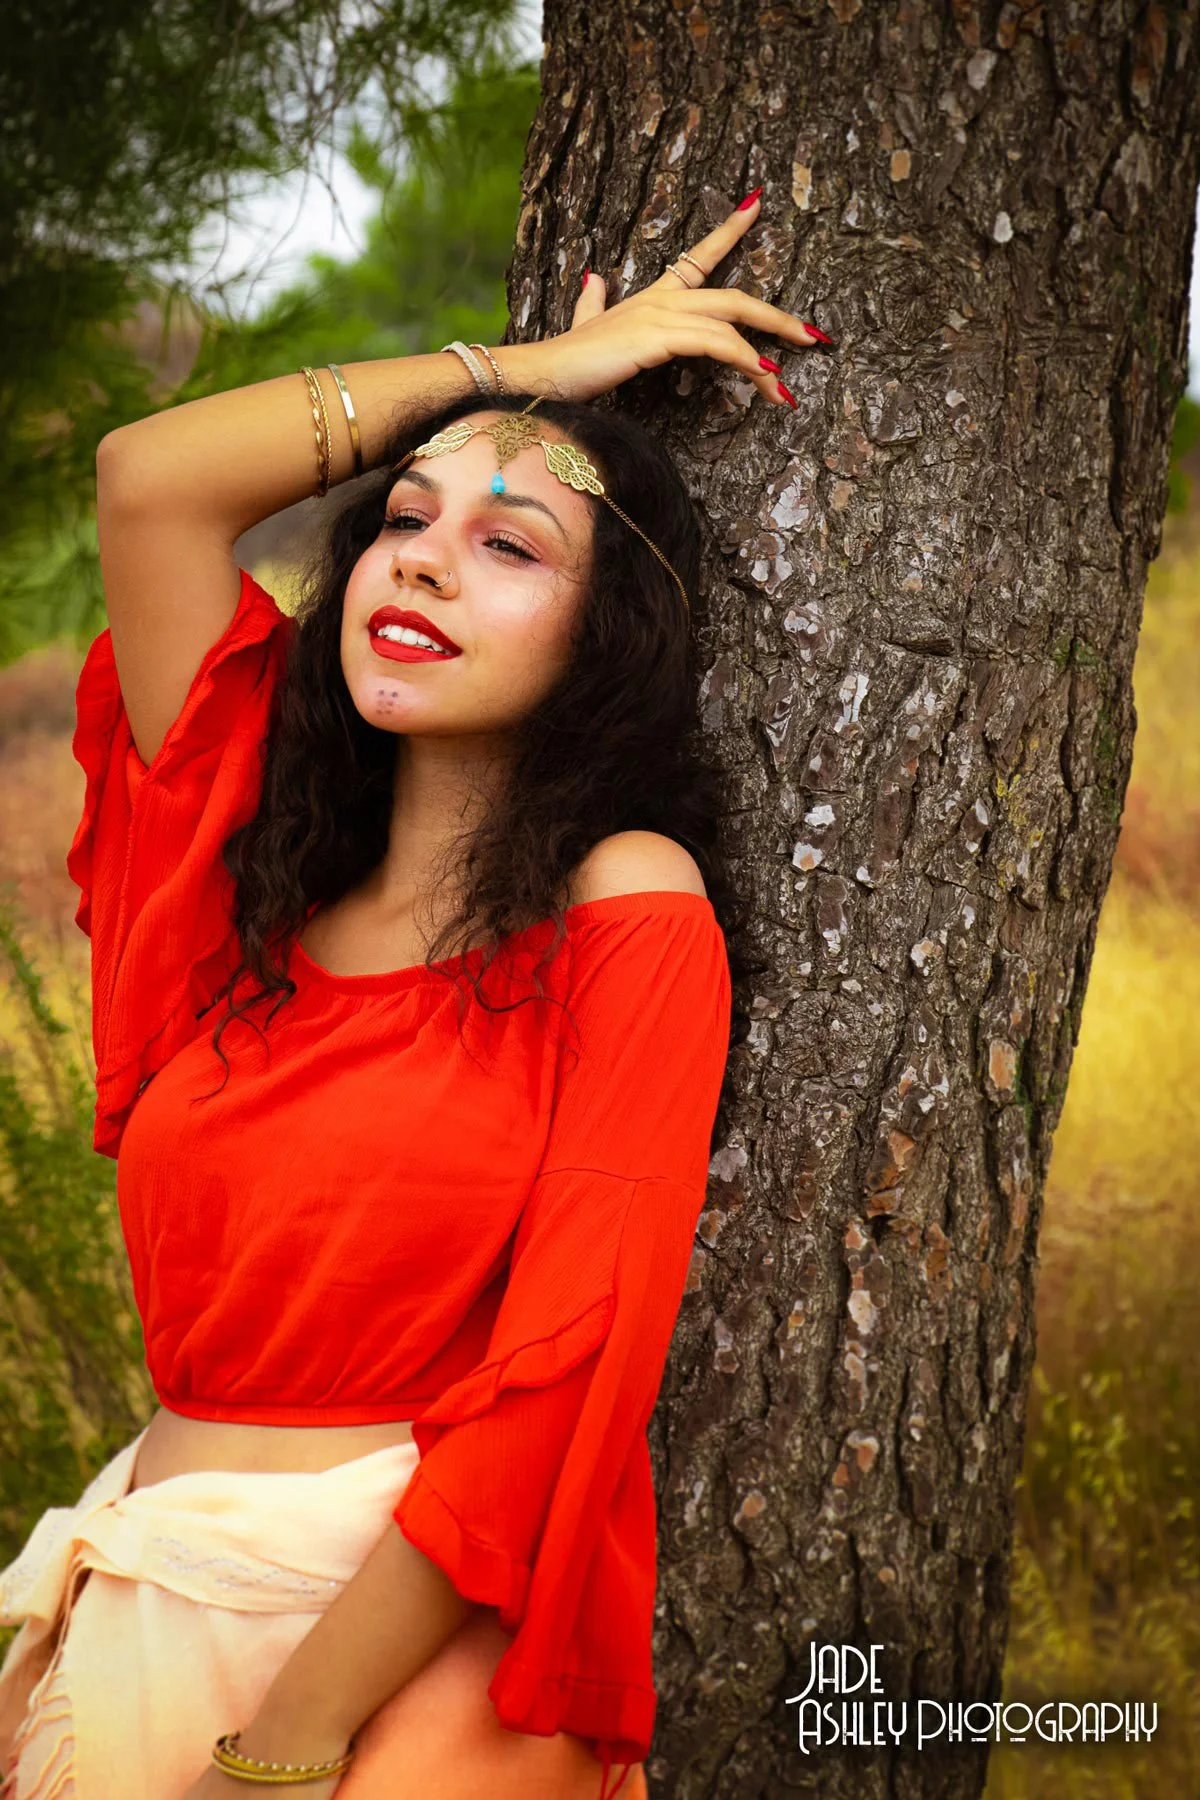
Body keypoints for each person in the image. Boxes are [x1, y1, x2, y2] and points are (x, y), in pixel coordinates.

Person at [0, 189, 829, 1800]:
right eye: (407, 518)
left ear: (604, 641)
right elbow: (152, 482)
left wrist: (287, 1746)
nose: (428, 562)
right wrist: (539, 369)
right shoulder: (242, 896)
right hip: (134, 1593)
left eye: (510, 546)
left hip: (404, 1667)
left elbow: (569, 1373)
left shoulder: (624, 905)